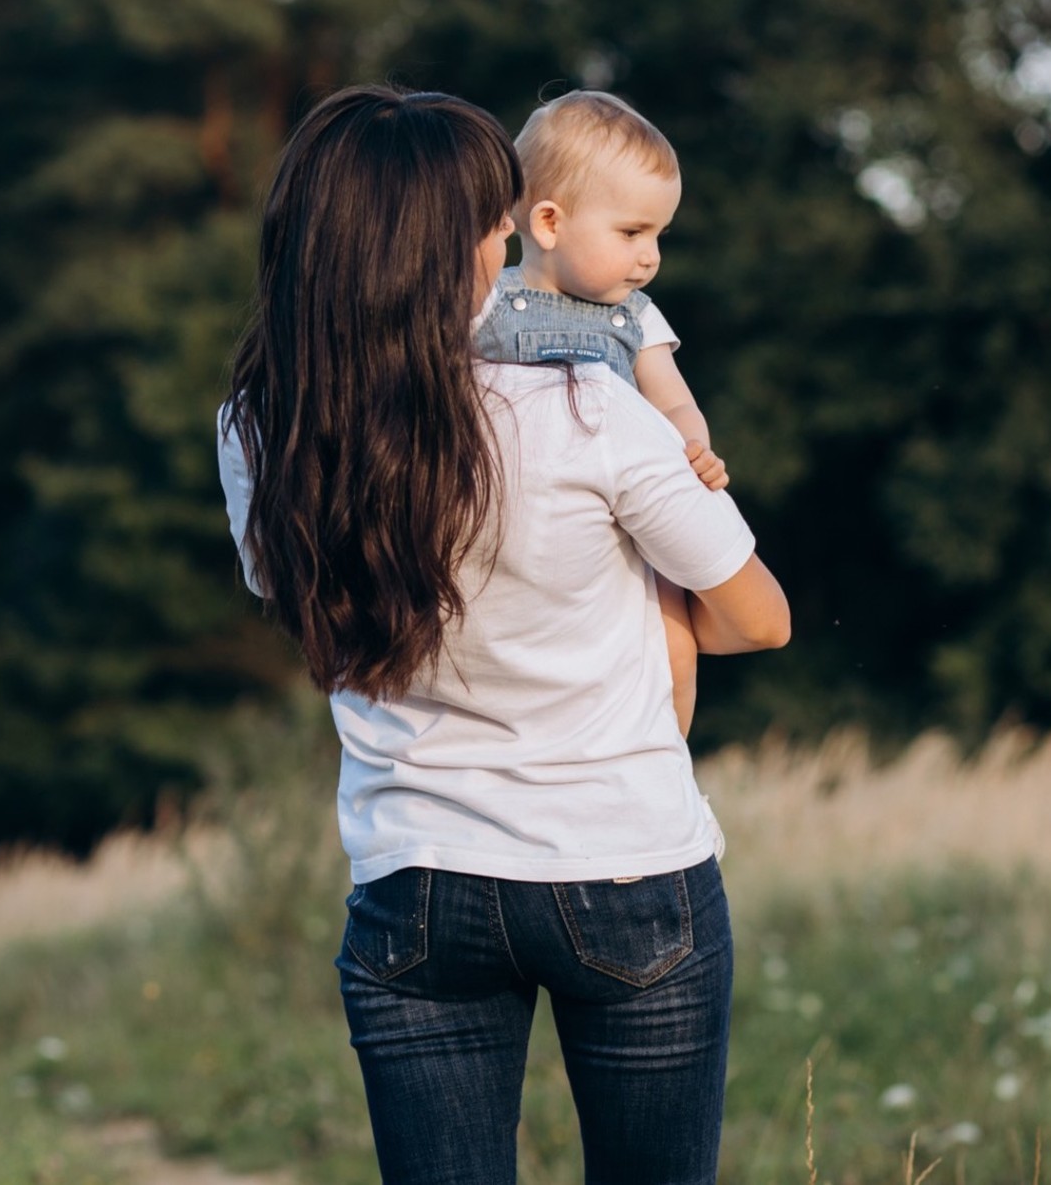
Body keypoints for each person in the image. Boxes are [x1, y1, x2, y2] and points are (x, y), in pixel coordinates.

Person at [216, 84, 790, 1185]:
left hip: (415, 876)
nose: (504, 237)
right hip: (625, 863)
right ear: (447, 248)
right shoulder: (587, 406)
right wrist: (634, 612)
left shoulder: (262, 428)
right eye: (491, 220)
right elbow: (759, 618)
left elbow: (318, 624)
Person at [474, 89, 718, 737]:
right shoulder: (486, 302)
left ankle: (662, 761)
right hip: (521, 518)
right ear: (550, 223)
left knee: (674, 644)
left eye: (659, 234)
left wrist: (692, 446)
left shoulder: (635, 316)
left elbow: (672, 399)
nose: (651, 256)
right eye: (632, 232)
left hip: (628, 514)